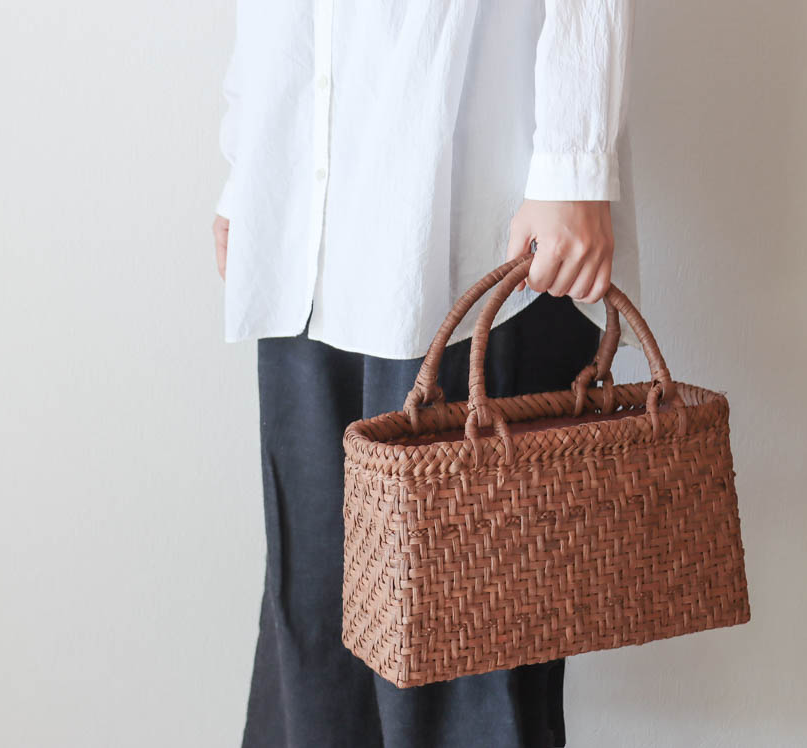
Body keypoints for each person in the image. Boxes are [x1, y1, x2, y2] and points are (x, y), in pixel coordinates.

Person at [212, 2, 639, 746]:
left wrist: (576, 161)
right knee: (315, 614)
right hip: (305, 220)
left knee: (471, 637)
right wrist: (249, 159)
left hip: (473, 232)